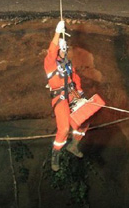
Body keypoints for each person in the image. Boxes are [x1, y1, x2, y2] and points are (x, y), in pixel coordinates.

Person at [44, 21, 88, 172]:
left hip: (72, 93)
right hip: (60, 97)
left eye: (65, 48)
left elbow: (75, 79)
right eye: (61, 48)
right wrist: (57, 33)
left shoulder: (68, 64)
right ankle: (55, 154)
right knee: (63, 128)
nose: (63, 51)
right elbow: (51, 52)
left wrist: (80, 94)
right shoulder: (50, 64)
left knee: (84, 119)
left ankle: (74, 145)